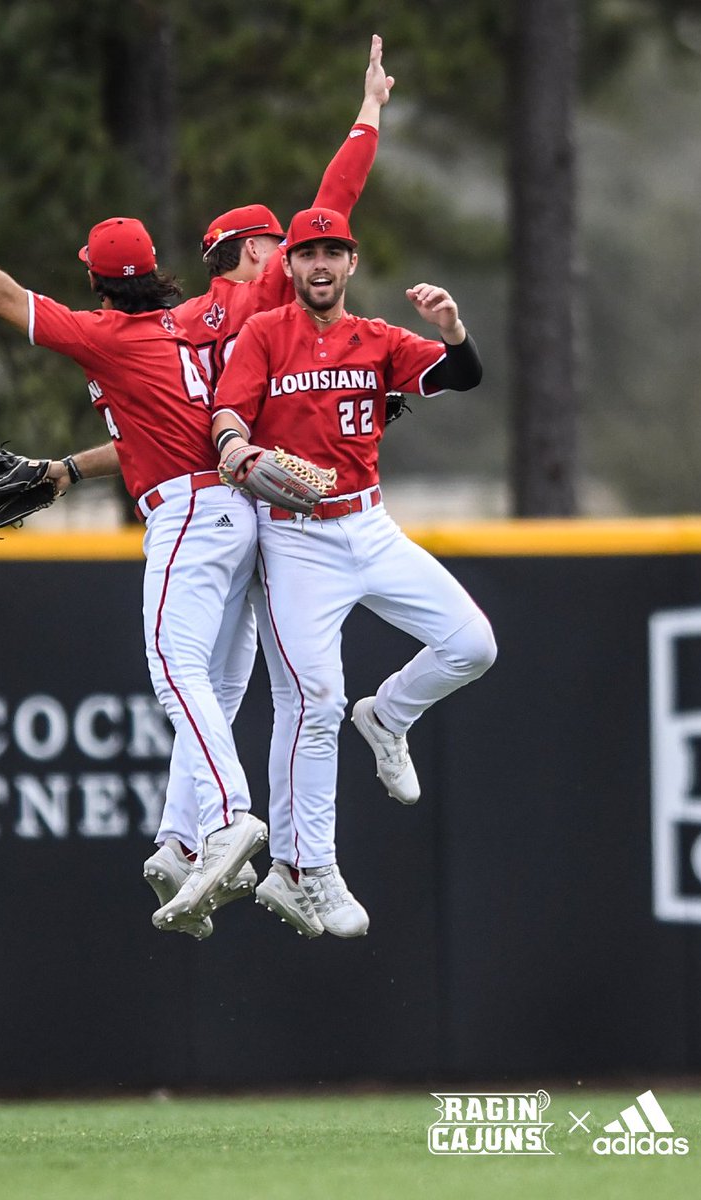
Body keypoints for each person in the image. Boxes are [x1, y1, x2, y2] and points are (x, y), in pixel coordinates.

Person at [44, 35, 394, 935]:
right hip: (261, 511)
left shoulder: (168, 327)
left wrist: (63, 470)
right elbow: (335, 203)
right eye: (274, 243)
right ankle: (263, 843)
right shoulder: (259, 301)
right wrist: (366, 118)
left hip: (199, 492)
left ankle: (180, 837)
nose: (290, 249)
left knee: (210, 685)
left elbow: (160, 433)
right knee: (263, 692)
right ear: (245, 253)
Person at [0, 184, 269, 933]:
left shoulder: (106, 335)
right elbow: (147, 438)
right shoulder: (180, 332)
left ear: (96, 279)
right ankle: (179, 842)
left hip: (189, 516)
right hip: (233, 512)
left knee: (173, 670)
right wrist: (62, 470)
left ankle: (229, 818)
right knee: (215, 691)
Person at [209, 206, 497, 939]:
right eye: (307, 254)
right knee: (314, 701)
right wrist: (238, 449)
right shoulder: (264, 334)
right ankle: (311, 870)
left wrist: (452, 328)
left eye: (333, 252)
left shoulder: (376, 340)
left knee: (472, 645)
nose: (320, 264)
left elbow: (463, 376)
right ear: (291, 266)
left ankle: (391, 715)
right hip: (297, 539)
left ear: (352, 263)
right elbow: (227, 416)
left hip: (368, 524)